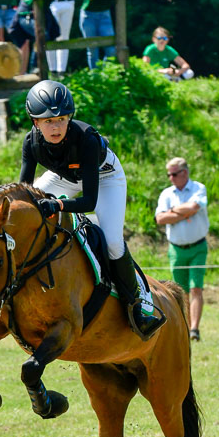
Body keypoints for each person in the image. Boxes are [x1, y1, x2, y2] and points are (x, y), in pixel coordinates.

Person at [20, 79, 165, 340]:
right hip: (63, 177)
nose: (56, 127)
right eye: (48, 121)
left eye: (62, 119)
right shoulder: (31, 142)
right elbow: (24, 192)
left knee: (113, 242)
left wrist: (57, 204)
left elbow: (89, 202)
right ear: (35, 122)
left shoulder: (86, 139)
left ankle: (139, 303)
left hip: (105, 177)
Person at [155, 158, 209, 342]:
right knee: (180, 290)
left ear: (184, 172)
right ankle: (185, 327)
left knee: (196, 288)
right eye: (168, 174)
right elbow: (160, 219)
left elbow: (195, 206)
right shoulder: (166, 193)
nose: (171, 178)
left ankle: (194, 329)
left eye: (174, 174)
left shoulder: (198, 188)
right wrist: (183, 213)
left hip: (198, 247)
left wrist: (172, 211)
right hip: (176, 249)